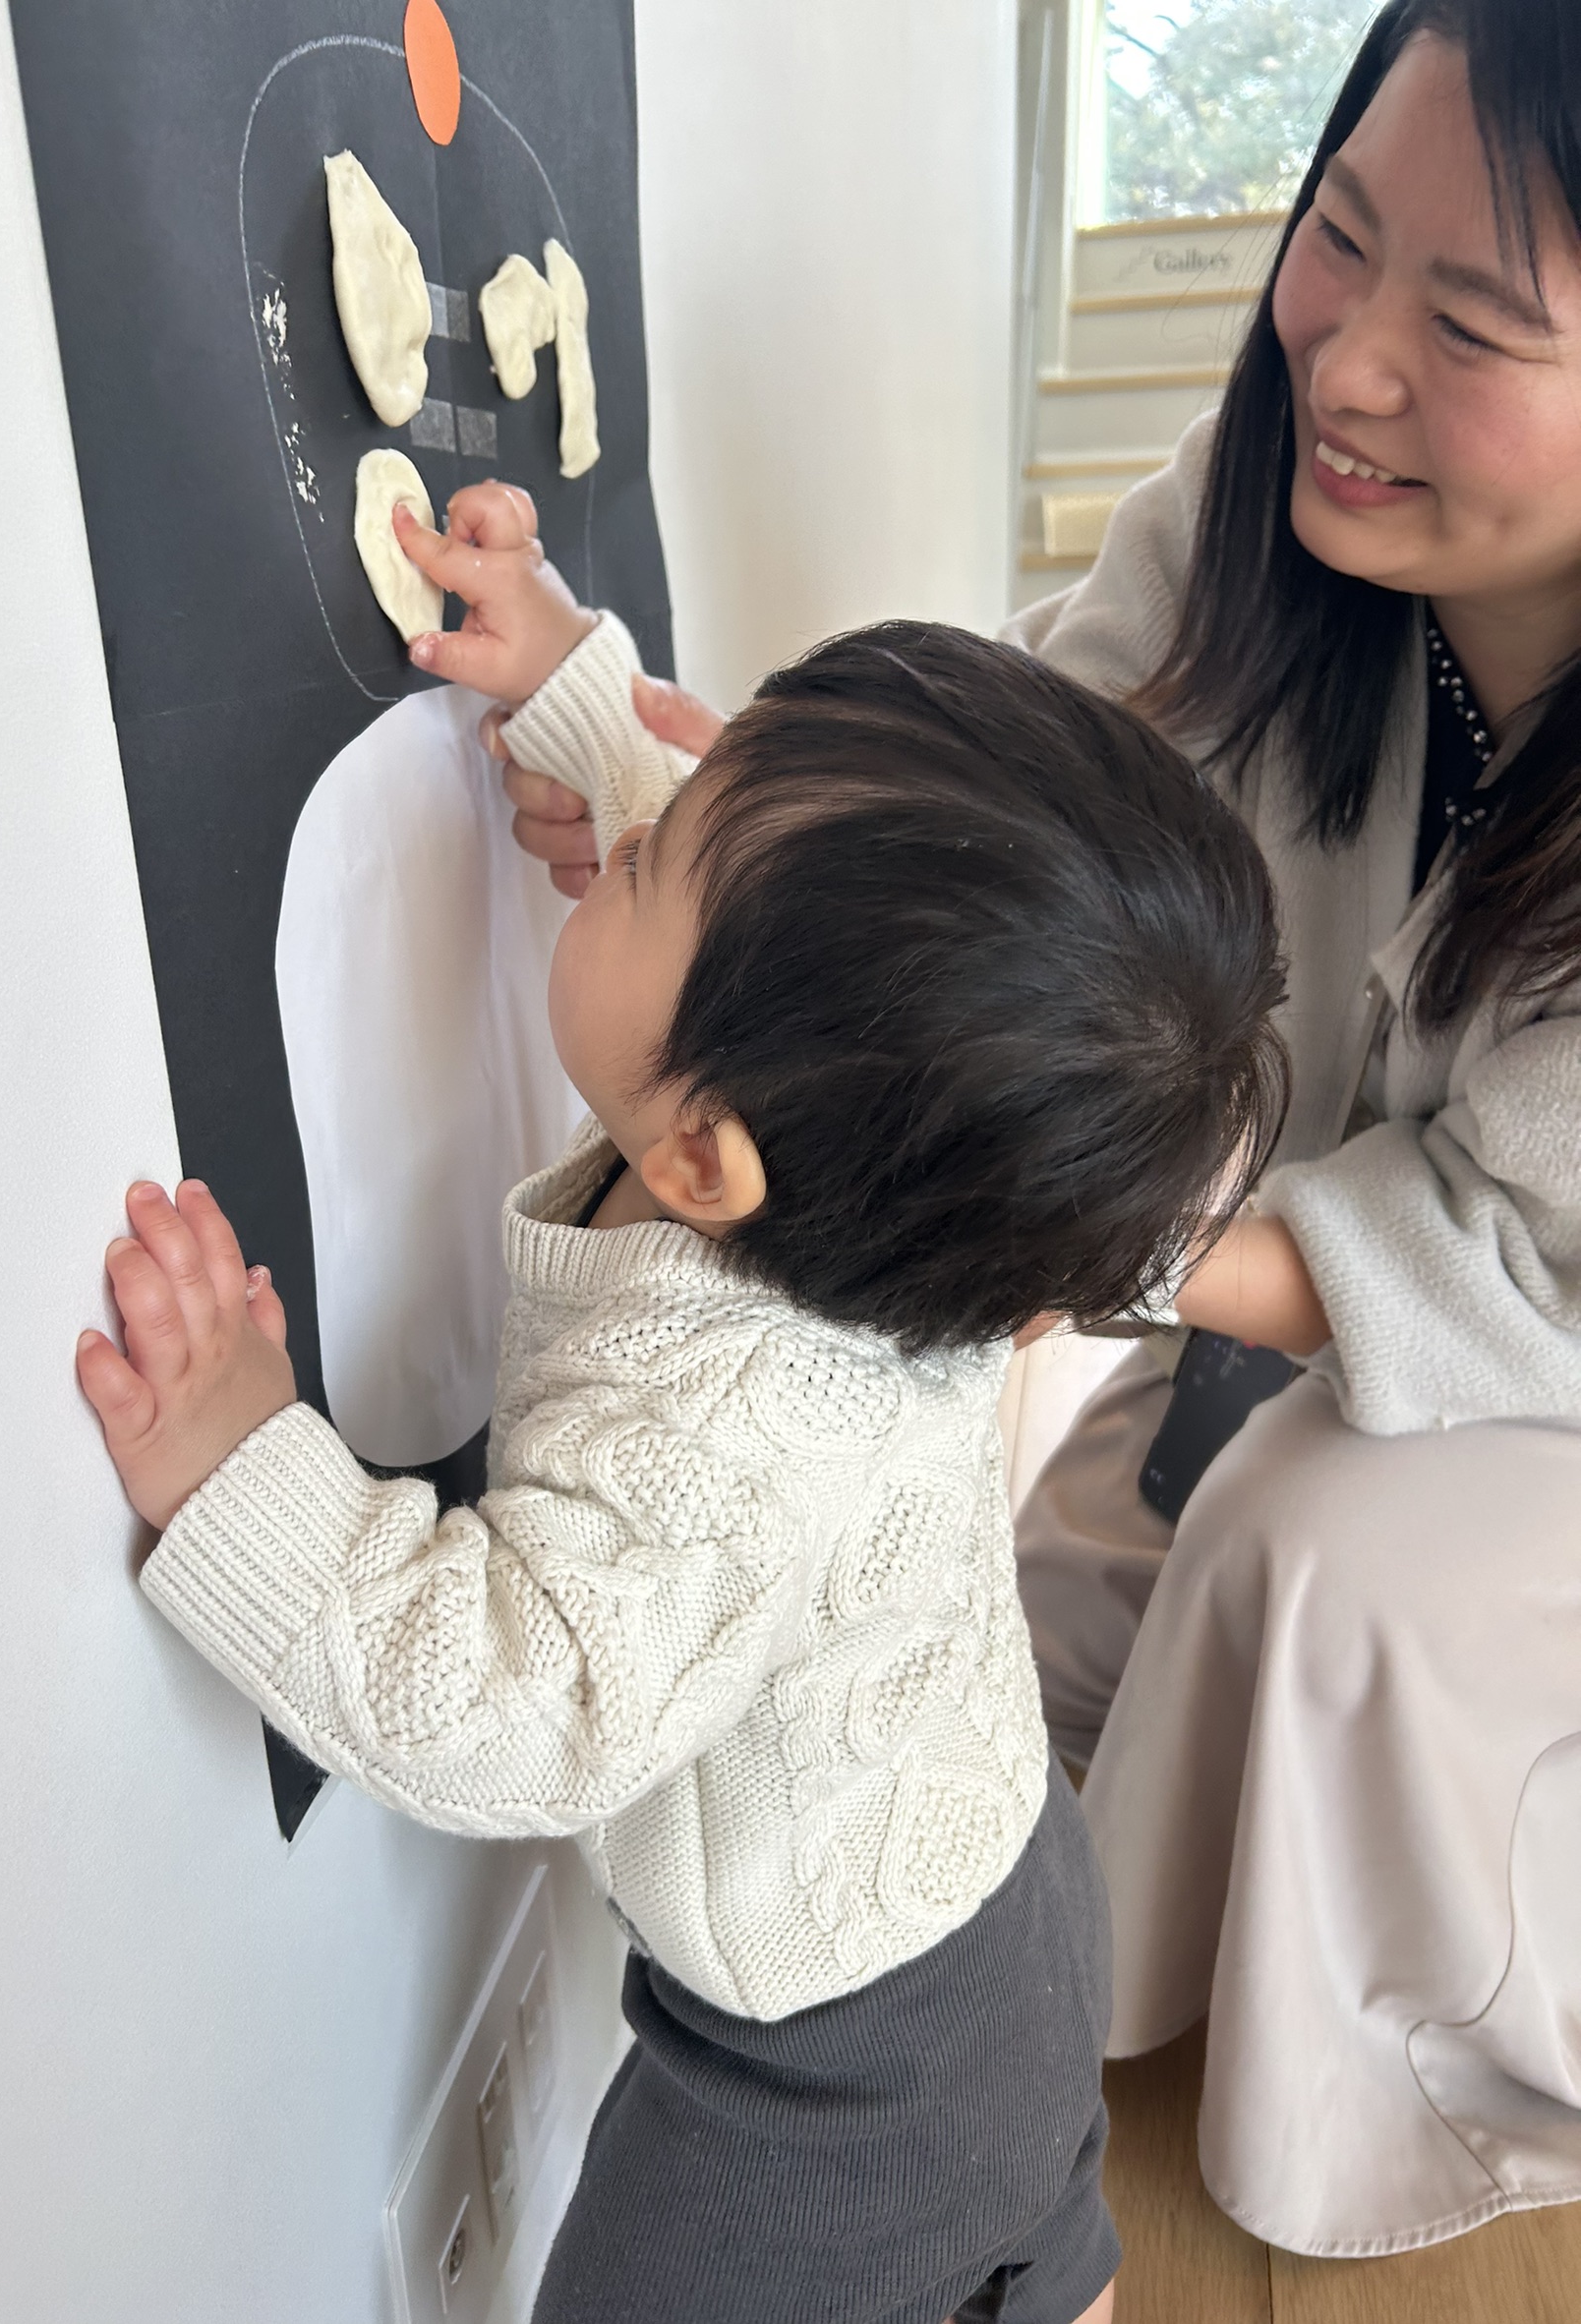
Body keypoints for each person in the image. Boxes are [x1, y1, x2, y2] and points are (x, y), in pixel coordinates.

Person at [491, 0, 1581, 2263]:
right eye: (1334, 234)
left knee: (1300, 1539)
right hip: (1216, 1305)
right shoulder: (1252, 511)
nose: (1343, 364)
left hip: (1527, 1346)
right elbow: (982, 843)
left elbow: (1510, 1259)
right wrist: (663, 771)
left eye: (1471, 323)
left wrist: (1046, 1211)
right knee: (1069, 1644)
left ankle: (1369, 2071)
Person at [77, 485, 1290, 2324]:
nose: (631, 830)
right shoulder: (905, 1167)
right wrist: (575, 688)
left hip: (837, 2061)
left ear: (705, 1157)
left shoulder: (720, 1427)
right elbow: (725, 854)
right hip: (995, 1879)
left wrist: (243, 1465)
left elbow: (514, 1704)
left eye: (644, 864)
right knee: (1019, 2231)